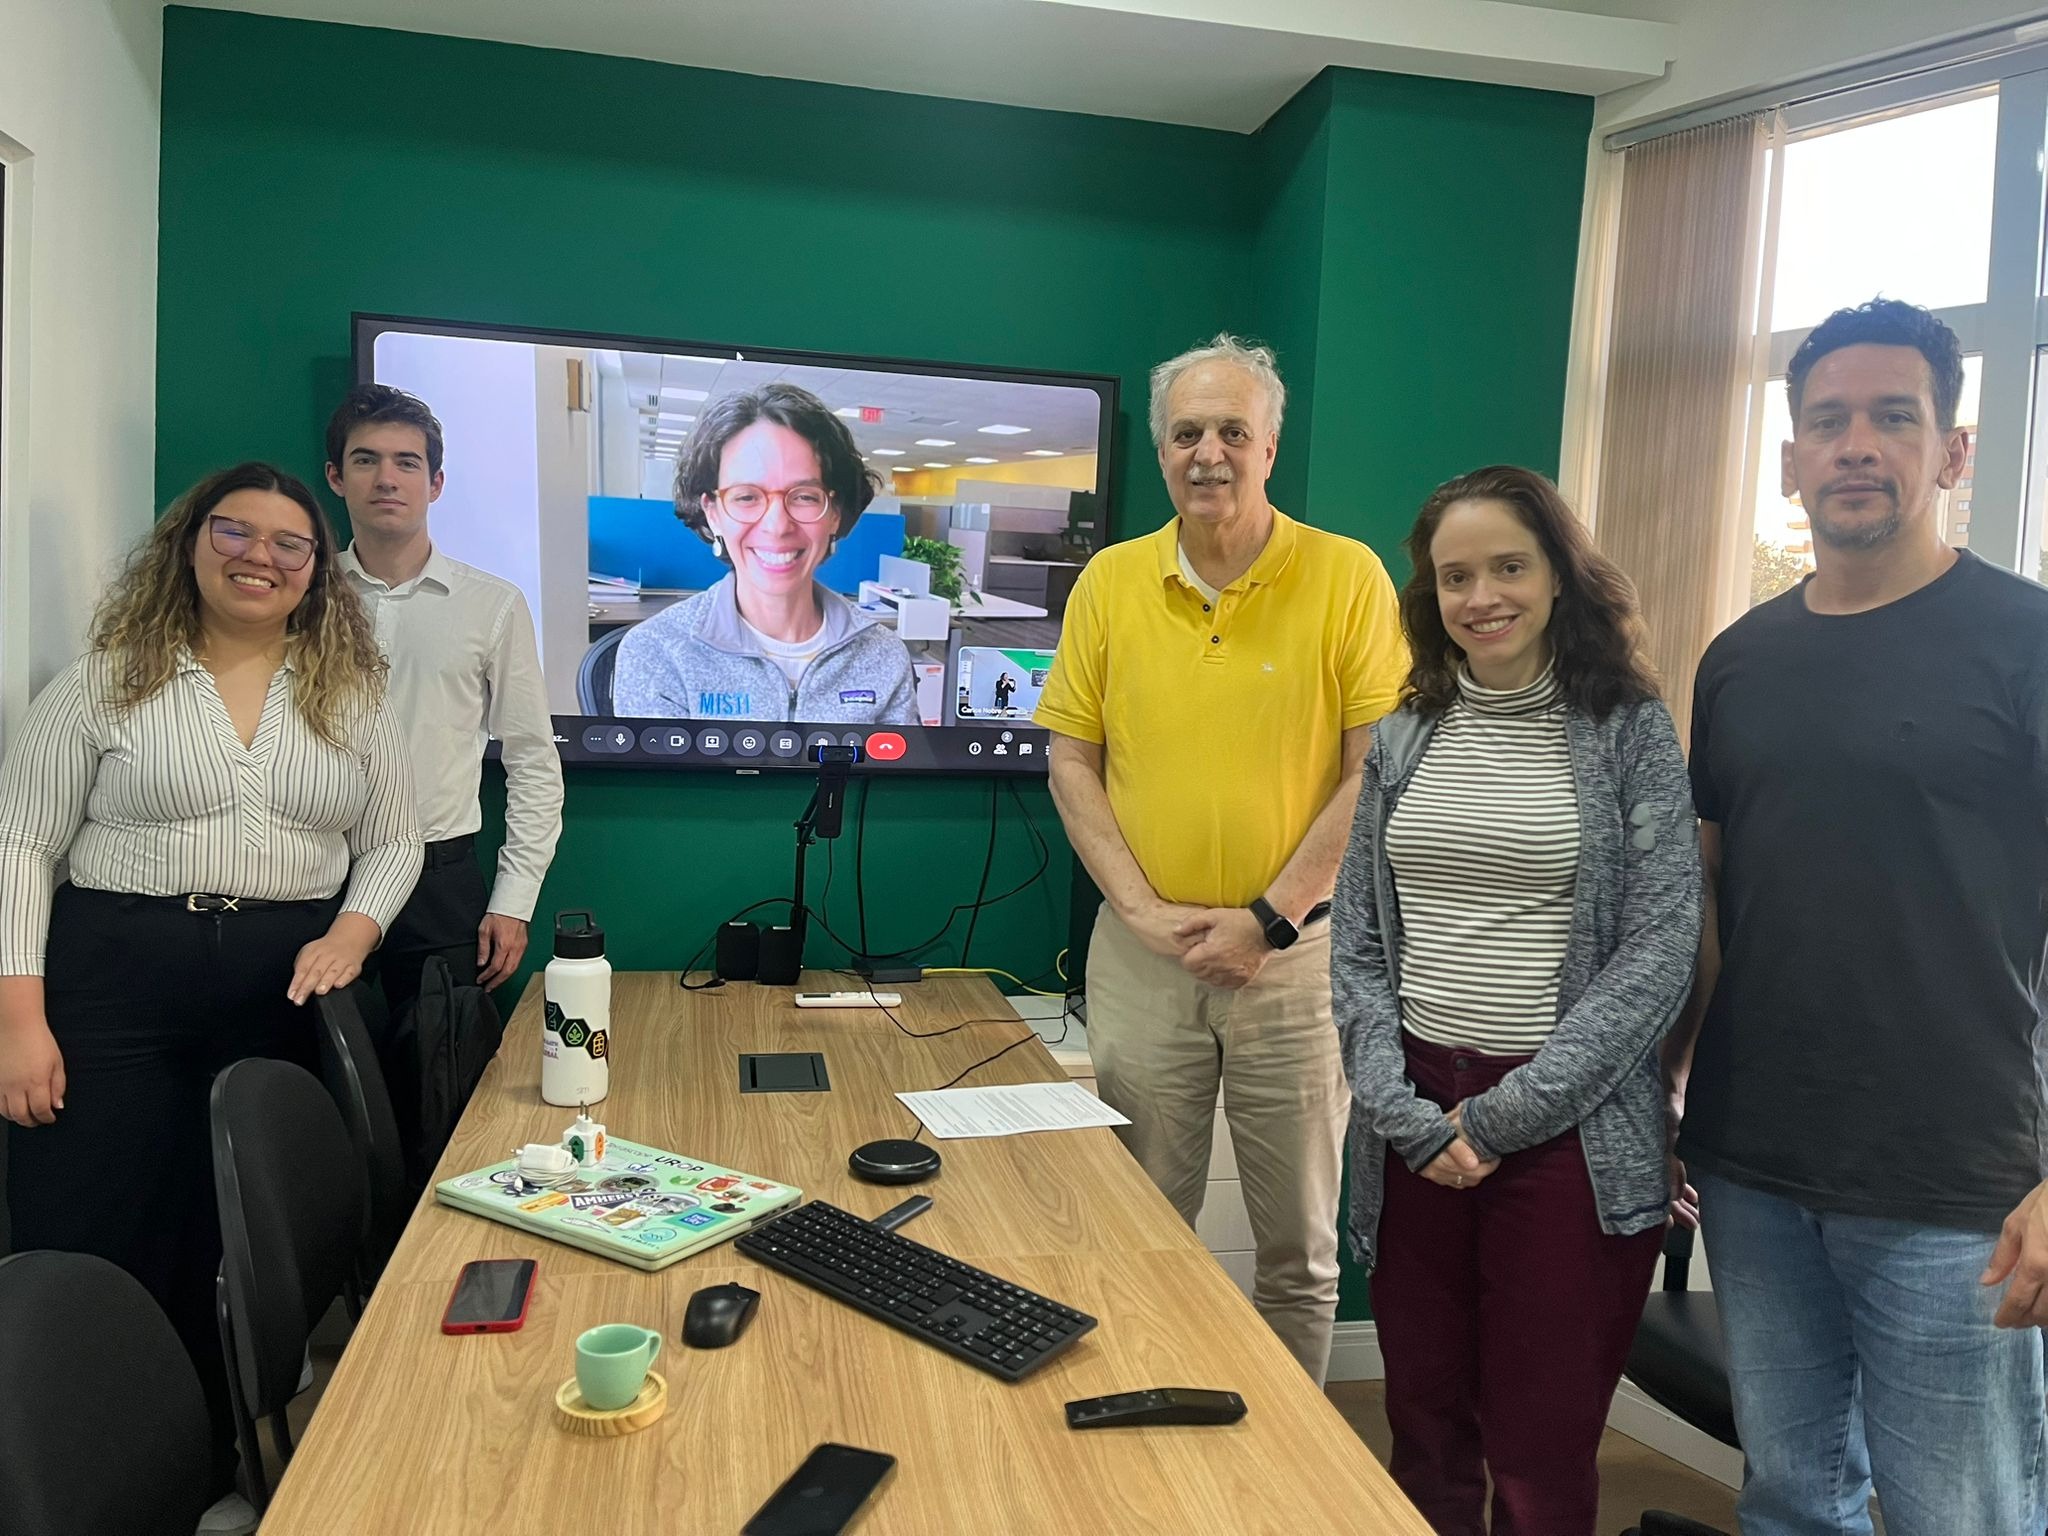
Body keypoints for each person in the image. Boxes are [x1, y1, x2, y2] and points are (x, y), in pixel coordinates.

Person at [1670, 298, 2048, 1536]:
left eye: (1892, 417)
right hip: (1753, 1166)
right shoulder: (1736, 659)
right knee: (1789, 1498)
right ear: (1790, 458)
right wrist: (1666, 1088)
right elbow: (1709, 898)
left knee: (1960, 1516)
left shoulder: (2026, 642)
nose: (1855, 446)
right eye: (1827, 422)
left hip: (1958, 1182)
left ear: (1950, 451)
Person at [0, 462, 421, 1520]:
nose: (260, 558)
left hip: (278, 992)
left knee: (246, 1238)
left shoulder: (346, 693)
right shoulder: (106, 679)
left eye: (289, 544)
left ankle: (212, 1458)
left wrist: (355, 933)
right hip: (111, 985)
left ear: (316, 570)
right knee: (101, 1222)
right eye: (235, 532)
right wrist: (17, 1021)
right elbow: (20, 844)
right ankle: (88, 1480)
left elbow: (395, 840)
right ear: (189, 543)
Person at [1333, 465, 1701, 1535]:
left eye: (1508, 567)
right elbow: (1357, 942)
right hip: (1412, 1114)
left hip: (1565, 1134)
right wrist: (1402, 1112)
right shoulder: (1405, 732)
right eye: (1455, 576)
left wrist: (1498, 1120)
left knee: (1540, 1454)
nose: (1481, 596)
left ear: (1558, 576)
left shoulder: (1627, 730)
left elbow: (1661, 946)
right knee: (1424, 1426)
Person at [1035, 333, 1407, 1383]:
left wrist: (1267, 920)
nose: (1209, 454)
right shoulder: (1111, 581)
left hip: (1297, 964)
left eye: (1232, 432)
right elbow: (1070, 760)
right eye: (1187, 433)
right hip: (1141, 959)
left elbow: (1374, 771)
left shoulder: (1345, 575)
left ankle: (1287, 1459)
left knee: (1298, 1251)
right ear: (1161, 451)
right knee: (1138, 1226)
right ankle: (1148, 1421)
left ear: (1269, 447)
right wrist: (1142, 912)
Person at [326, 385, 564, 1020]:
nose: (386, 478)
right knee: (313, 1062)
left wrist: (513, 901)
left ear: (435, 484)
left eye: (407, 462)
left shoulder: (492, 605)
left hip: (439, 880)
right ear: (336, 477)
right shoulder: (302, 596)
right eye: (365, 460)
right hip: (316, 868)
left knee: (442, 1064)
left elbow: (533, 759)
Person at [612, 382, 917, 724]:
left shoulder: (883, 656)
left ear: (835, 513)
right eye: (746, 497)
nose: (777, 526)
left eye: (804, 496)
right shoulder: (657, 652)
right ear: (713, 513)